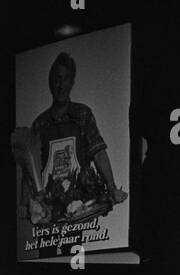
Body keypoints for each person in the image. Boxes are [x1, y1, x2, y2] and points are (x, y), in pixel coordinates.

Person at [23, 51, 127, 222]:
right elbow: (29, 168)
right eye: (57, 78)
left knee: (74, 249)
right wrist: (23, 203)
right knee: (46, 248)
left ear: (72, 82)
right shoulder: (40, 124)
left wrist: (112, 187)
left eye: (65, 78)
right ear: (50, 82)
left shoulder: (82, 114)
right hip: (48, 208)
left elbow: (98, 152)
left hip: (78, 205)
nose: (61, 85)